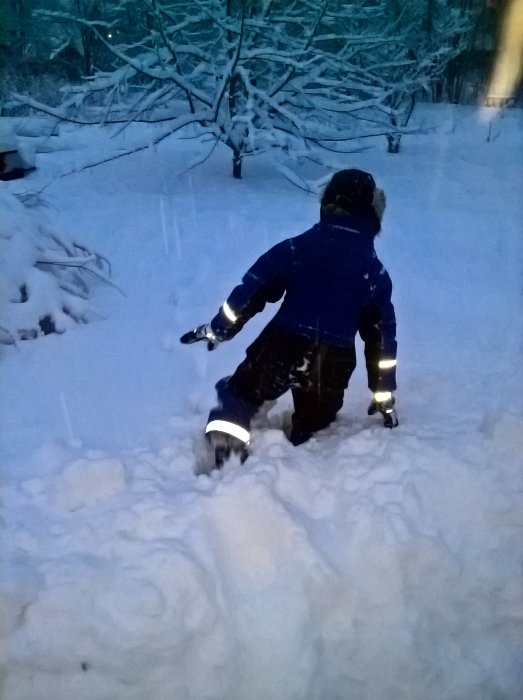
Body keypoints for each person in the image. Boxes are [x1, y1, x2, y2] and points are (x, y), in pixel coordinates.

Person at [180, 168, 398, 466]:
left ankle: (225, 446)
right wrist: (383, 391)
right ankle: (298, 455)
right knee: (316, 420)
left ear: (328, 205)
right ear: (374, 218)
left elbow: (251, 291)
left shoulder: (297, 249)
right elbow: (382, 337)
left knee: (242, 392)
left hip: (281, 346)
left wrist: (219, 330)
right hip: (333, 363)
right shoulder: (375, 274)